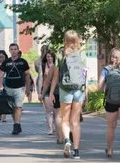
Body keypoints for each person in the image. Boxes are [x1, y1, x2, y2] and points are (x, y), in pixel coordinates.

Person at [49, 30, 88, 159]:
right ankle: (76, 151)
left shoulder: (61, 54)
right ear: (77, 40)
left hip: (65, 89)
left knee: (65, 119)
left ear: (65, 39)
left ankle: (67, 140)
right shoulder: (81, 54)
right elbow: (84, 75)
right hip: (78, 89)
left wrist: (51, 93)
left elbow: (55, 76)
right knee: (75, 121)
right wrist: (85, 92)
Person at [0, 43, 30, 135]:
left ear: (18, 50)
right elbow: (1, 75)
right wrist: (1, 86)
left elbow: (27, 75)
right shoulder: (6, 62)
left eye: (15, 49)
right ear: (9, 51)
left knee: (18, 106)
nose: (13, 51)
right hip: (9, 87)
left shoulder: (23, 62)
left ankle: (16, 125)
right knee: (12, 108)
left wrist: (28, 88)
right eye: (11, 49)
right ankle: (17, 124)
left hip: (20, 87)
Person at [38, 50, 56, 135]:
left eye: (51, 56)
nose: (49, 58)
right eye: (48, 56)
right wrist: (40, 92)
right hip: (46, 89)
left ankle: (56, 126)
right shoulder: (43, 66)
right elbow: (40, 79)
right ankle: (50, 128)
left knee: (56, 110)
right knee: (48, 110)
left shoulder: (57, 66)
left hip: (56, 89)